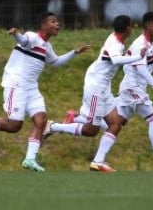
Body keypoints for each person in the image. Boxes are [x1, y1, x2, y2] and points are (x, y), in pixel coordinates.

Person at [0, 11, 91, 172]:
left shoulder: (47, 46)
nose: (57, 24)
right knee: (14, 126)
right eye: (53, 21)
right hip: (15, 84)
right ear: (43, 25)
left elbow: (56, 62)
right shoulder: (32, 37)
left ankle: (30, 159)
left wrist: (75, 52)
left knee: (41, 120)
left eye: (57, 21)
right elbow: (24, 41)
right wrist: (16, 34)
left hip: (31, 87)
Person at [44, 15, 145, 172]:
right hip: (95, 87)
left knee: (116, 124)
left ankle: (98, 162)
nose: (133, 28)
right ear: (127, 28)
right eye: (132, 25)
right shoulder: (115, 44)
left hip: (103, 87)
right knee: (91, 130)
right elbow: (117, 60)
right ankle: (53, 126)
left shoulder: (117, 39)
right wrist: (138, 57)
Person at [101, 11, 153, 171]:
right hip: (133, 88)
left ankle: (73, 123)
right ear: (148, 26)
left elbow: (149, 70)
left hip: (133, 88)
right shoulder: (141, 44)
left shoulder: (150, 45)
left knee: (114, 123)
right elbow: (141, 70)